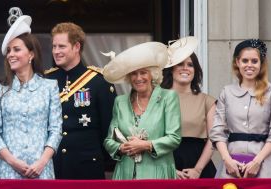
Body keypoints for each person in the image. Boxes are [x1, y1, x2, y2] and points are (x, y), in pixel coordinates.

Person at [0, 8, 63, 179]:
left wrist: (41, 162)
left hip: (42, 171)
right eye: (9, 50)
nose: (10, 55)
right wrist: (14, 162)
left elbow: (56, 130)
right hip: (8, 172)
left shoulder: (49, 87)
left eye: (16, 49)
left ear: (31, 54)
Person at [45, 22, 117, 179]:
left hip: (87, 166)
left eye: (61, 46)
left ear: (76, 46)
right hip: (54, 166)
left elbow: (109, 128)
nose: (56, 51)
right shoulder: (47, 80)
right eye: (54, 46)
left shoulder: (99, 82)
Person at [103, 42, 181, 179]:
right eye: (134, 74)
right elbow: (109, 140)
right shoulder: (120, 102)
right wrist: (121, 148)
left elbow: (174, 138)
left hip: (157, 174)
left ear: (153, 74)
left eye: (143, 72)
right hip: (125, 175)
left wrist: (146, 145)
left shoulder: (168, 97)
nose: (138, 78)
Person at [209, 39, 271, 178]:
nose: (249, 65)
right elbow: (217, 131)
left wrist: (257, 161)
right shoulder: (226, 92)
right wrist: (227, 160)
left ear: (261, 63)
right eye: (245, 61)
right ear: (237, 62)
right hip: (231, 165)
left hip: (265, 165)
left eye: (254, 61)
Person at [161, 36, 217, 178]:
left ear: (195, 70)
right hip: (164, 166)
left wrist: (197, 170)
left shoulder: (207, 101)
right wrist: (169, 170)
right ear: (171, 69)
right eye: (180, 64)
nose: (185, 68)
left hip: (200, 169)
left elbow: (213, 139)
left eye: (190, 64)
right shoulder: (157, 99)